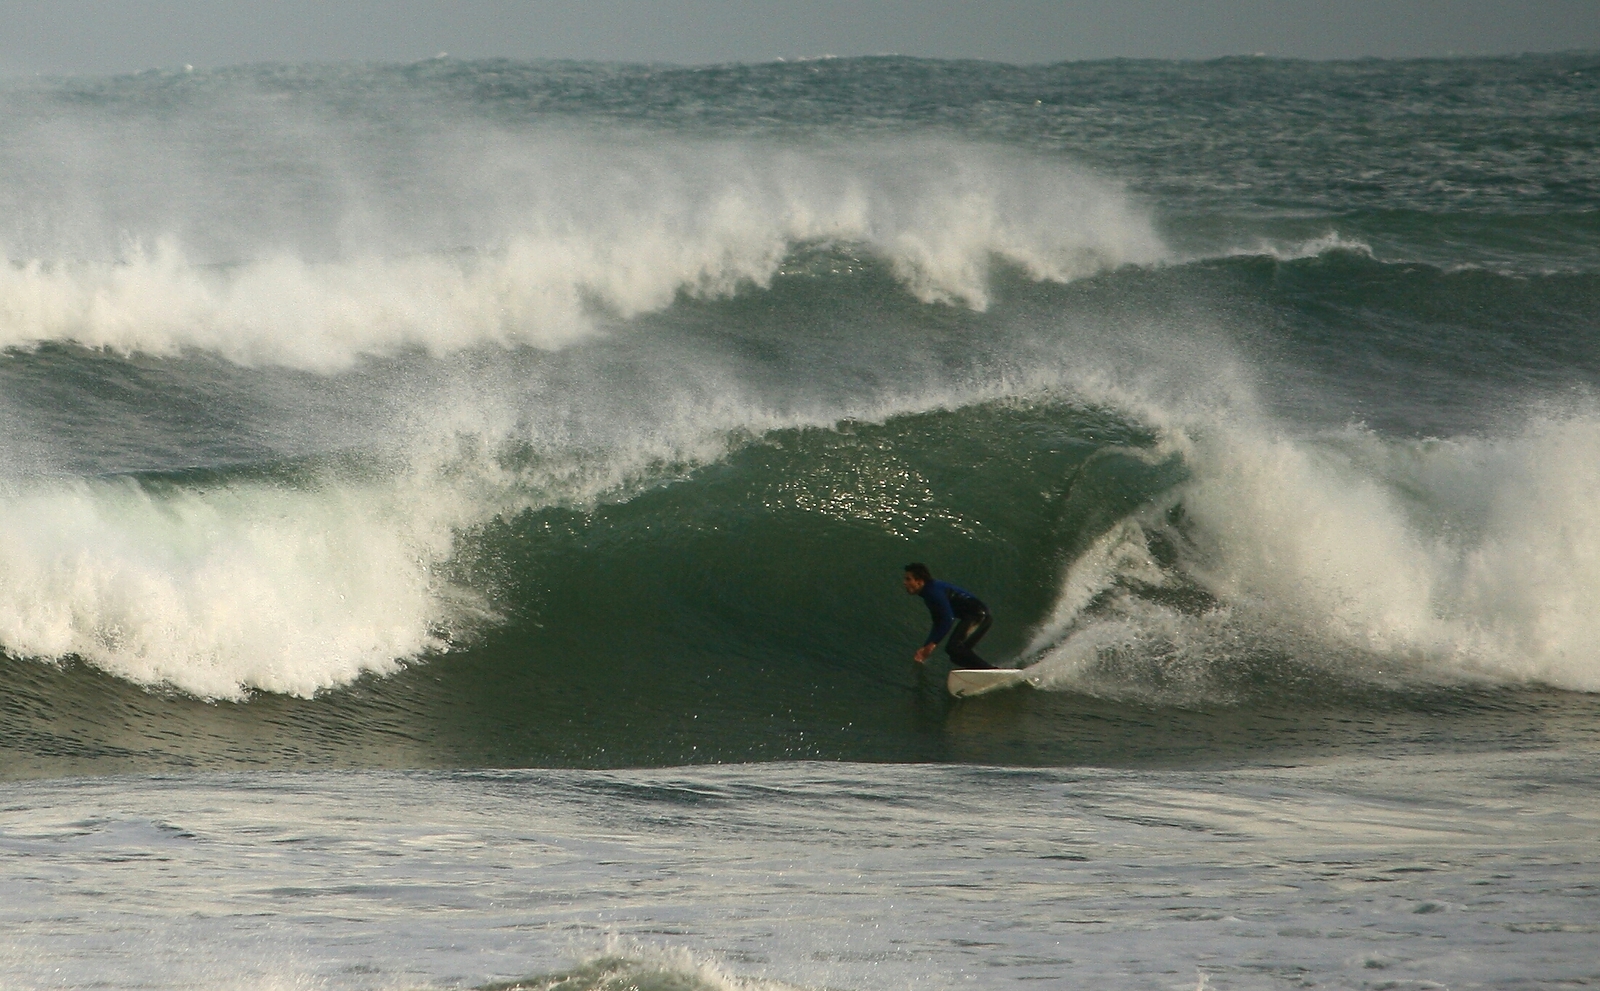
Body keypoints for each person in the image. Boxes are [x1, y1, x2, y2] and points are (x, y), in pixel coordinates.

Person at [902, 562, 994, 669]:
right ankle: (982, 673)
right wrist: (926, 646)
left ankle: (992, 670)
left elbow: (948, 619)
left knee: (954, 648)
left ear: (920, 581)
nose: (904, 583)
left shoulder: (933, 592)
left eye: (908, 579)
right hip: (977, 616)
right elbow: (937, 622)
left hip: (979, 615)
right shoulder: (928, 594)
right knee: (955, 655)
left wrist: (933, 644)